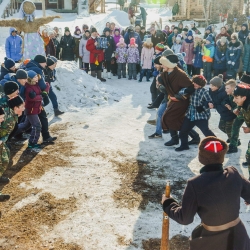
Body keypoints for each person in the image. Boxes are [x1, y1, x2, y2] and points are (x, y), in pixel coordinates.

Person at [162, 136, 250, 249]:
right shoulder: (233, 173)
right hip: (238, 238)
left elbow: (185, 218)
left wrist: (168, 203)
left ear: (201, 158)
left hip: (211, 241)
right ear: (222, 157)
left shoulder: (195, 184)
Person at [159, 52, 193, 146]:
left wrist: (178, 96)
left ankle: (175, 139)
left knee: (169, 117)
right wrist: (161, 86)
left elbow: (190, 88)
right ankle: (194, 137)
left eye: (163, 64)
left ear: (169, 65)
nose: (162, 66)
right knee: (177, 120)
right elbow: (164, 84)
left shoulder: (180, 75)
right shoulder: (166, 73)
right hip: (172, 100)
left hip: (181, 101)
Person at [176, 75, 215, 151]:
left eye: (197, 83)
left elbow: (210, 102)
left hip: (201, 116)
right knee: (183, 130)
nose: (195, 84)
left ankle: (216, 143)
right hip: (190, 114)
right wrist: (186, 91)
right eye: (194, 83)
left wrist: (203, 107)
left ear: (201, 84)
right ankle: (184, 145)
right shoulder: (190, 89)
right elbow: (179, 93)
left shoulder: (204, 91)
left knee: (206, 131)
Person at [209, 75, 236, 142]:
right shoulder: (213, 92)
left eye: (212, 86)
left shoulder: (224, 93)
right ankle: (233, 138)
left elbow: (224, 104)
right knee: (221, 127)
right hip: (223, 114)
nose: (210, 87)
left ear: (217, 86)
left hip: (229, 114)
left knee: (228, 129)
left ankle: (234, 142)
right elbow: (213, 101)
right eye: (210, 85)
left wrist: (215, 106)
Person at [232, 84, 250, 179]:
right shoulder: (244, 104)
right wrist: (238, 110)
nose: (234, 100)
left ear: (244, 97)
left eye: (236, 98)